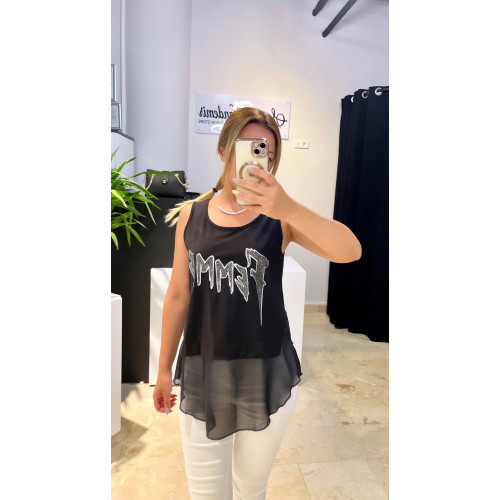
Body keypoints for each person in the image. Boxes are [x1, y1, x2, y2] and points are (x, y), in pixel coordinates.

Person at [153, 107, 362, 499]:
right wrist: (163, 369)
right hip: (204, 368)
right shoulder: (191, 216)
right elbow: (179, 295)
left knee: (251, 488)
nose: (256, 156)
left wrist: (290, 208)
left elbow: (350, 251)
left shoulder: (280, 218)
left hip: (264, 372)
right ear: (223, 150)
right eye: (246, 145)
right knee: (206, 493)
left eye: (266, 150)